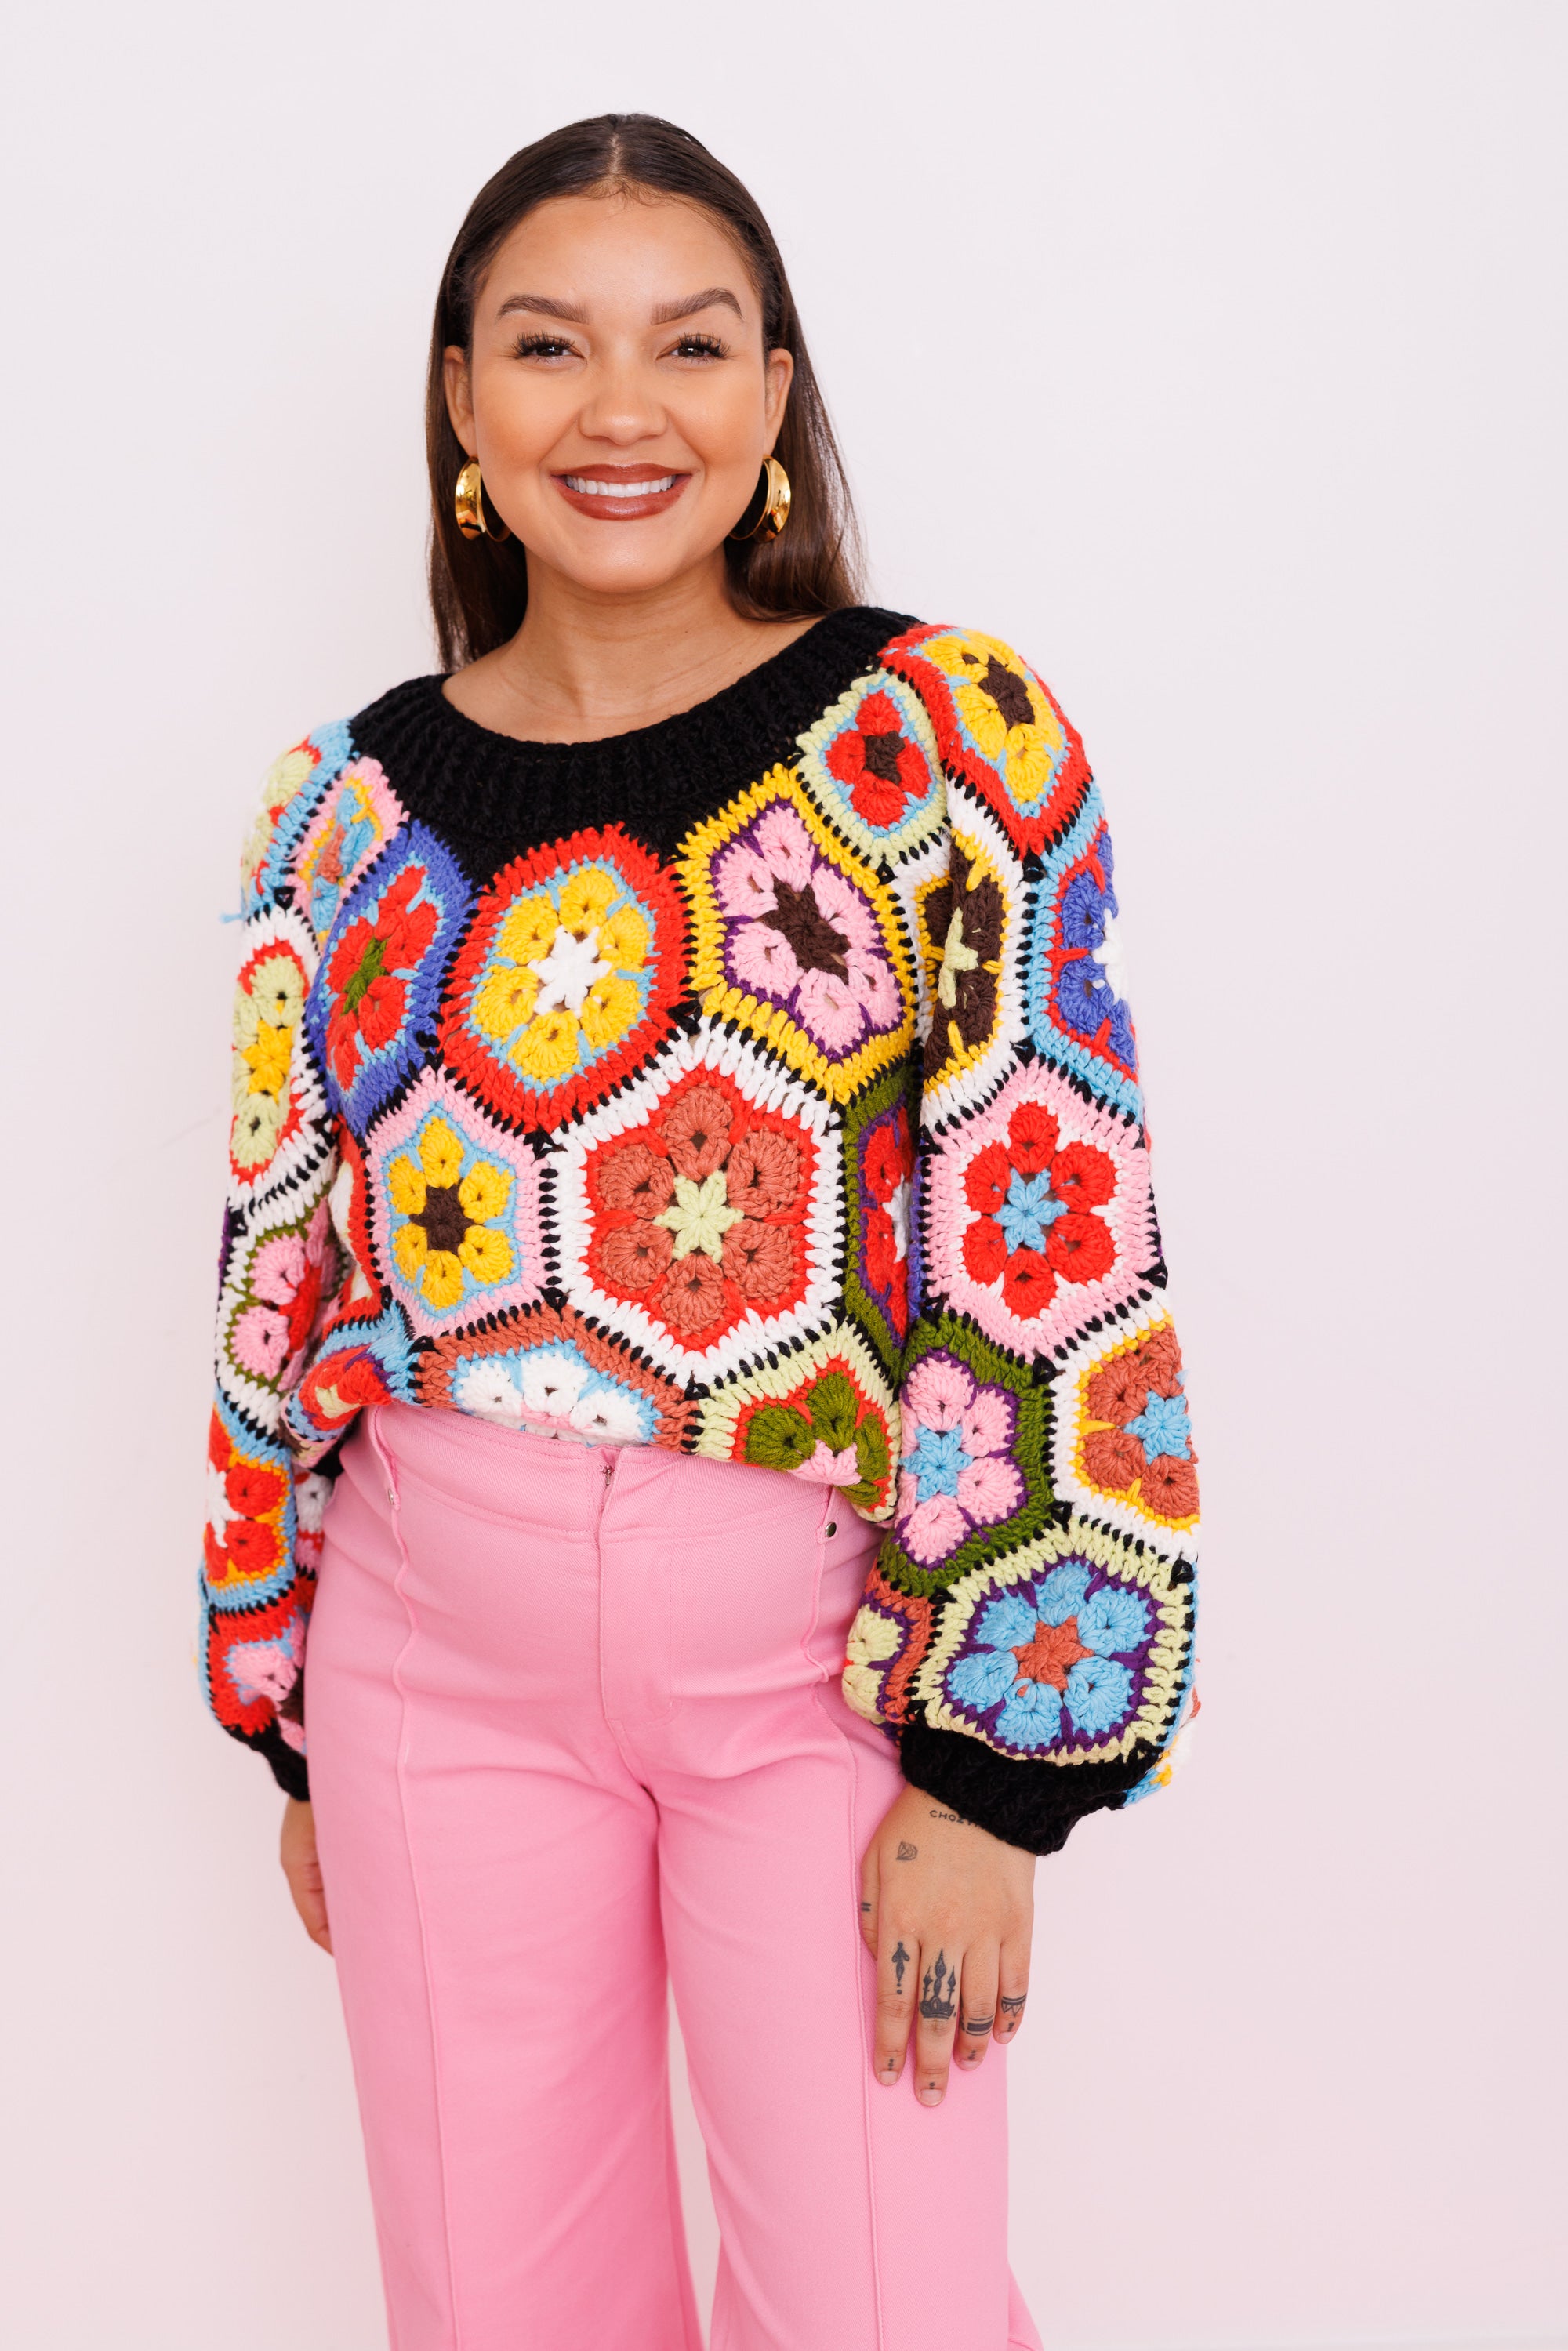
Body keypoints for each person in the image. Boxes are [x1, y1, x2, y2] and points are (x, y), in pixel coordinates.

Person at [204, 112, 1200, 2351]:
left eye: (690, 343)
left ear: (774, 393)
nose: (619, 408)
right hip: (425, 1666)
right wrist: (284, 1708)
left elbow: (1059, 1250)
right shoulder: (336, 810)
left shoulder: (941, 741)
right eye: (549, 344)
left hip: (825, 1668)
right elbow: (284, 1267)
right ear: (464, 397)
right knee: (493, 2312)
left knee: (884, 2311)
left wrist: (995, 1773)